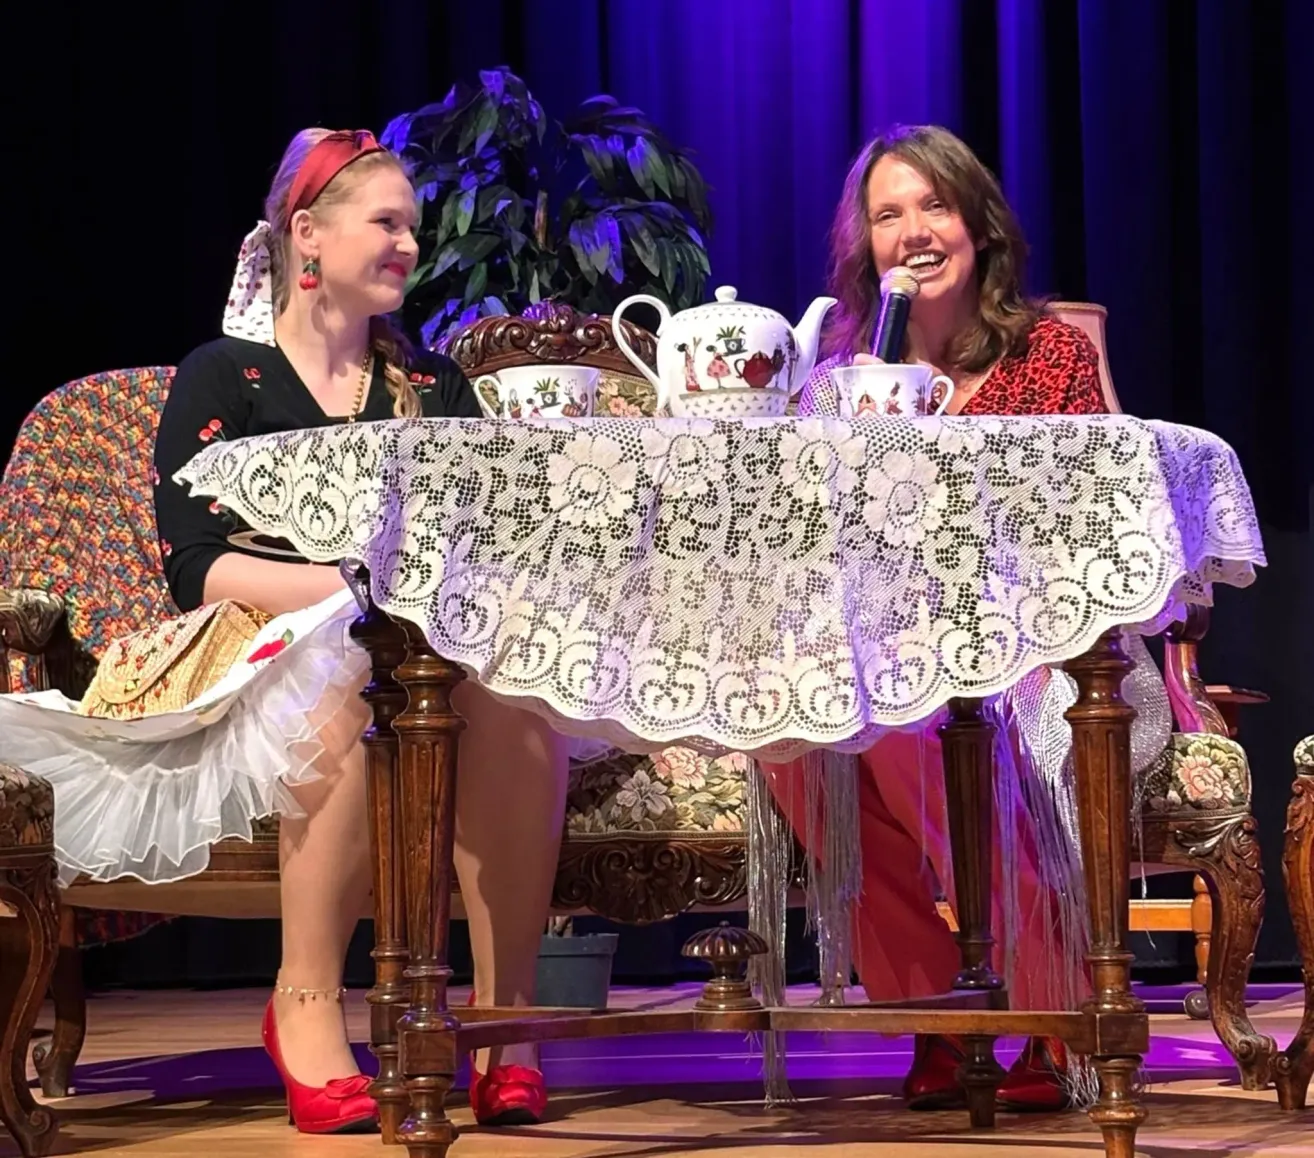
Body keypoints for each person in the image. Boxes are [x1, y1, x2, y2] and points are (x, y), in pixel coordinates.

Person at [3, 129, 565, 1134]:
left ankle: (506, 1022)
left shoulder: (434, 389)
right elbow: (199, 564)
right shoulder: (226, 376)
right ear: (307, 233)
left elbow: (492, 538)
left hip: (429, 642)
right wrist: (353, 591)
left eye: (413, 227)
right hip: (268, 644)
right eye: (385, 222)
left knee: (518, 686)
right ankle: (303, 1002)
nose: (407, 244)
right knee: (351, 659)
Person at [761, 123, 1120, 1114]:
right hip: (881, 638)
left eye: (934, 206)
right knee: (786, 736)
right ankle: (936, 1012)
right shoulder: (838, 380)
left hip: (1033, 632)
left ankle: (1050, 1005)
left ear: (979, 225)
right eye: (888, 215)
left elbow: (1082, 517)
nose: (914, 232)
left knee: (905, 716)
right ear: (865, 245)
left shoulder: (1046, 351)